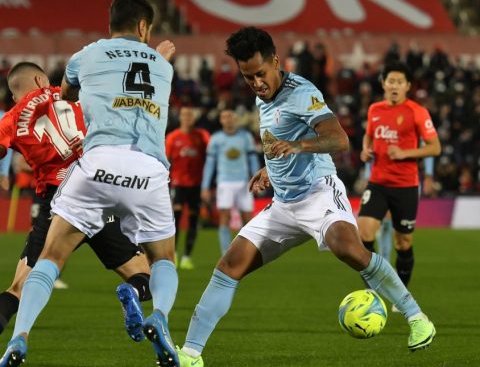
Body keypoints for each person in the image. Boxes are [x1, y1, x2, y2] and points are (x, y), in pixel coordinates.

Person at [176, 27, 436, 366]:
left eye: (260, 73)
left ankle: (418, 319)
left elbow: (339, 139)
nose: (256, 83)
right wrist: (271, 168)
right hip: (284, 203)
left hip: (319, 193)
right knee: (228, 266)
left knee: (348, 249)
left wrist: (300, 146)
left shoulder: (302, 92)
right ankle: (191, 355)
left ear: (275, 62)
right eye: (247, 76)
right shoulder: (262, 96)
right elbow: (279, 136)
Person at [1, 0, 180, 367]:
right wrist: (156, 58)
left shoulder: (82, 59)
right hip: (143, 172)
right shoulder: (158, 70)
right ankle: (156, 313)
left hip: (78, 183)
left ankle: (19, 336)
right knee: (157, 263)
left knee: (40, 267)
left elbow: (68, 90)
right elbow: (135, 86)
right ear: (143, 27)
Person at [0, 62, 154, 345]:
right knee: (145, 274)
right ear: (40, 78)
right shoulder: (74, 94)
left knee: (20, 288)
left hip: (57, 200)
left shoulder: (10, 118)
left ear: (16, 92)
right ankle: (133, 292)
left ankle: (16, 336)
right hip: (98, 194)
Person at [357, 62, 441, 308]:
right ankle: (371, 293)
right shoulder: (374, 110)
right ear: (383, 83)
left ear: (407, 86)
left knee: (403, 243)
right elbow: (369, 135)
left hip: (405, 185)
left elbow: (435, 147)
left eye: (399, 82)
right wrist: (365, 149)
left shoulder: (417, 111)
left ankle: (400, 293)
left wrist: (405, 153)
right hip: (378, 182)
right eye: (390, 81)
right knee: (363, 235)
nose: (394, 86)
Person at [201, 108, 260, 255]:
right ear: (221, 120)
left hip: (244, 182)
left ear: (235, 119)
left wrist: (257, 179)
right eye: (225, 117)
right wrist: (205, 186)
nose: (228, 119)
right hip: (224, 182)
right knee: (224, 217)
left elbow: (253, 159)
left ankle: (248, 251)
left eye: (231, 116)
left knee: (247, 218)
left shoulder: (245, 136)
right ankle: (225, 253)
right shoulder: (216, 138)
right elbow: (209, 164)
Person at [166, 106, 210, 270]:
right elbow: (166, 161)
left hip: (196, 184)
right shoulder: (173, 137)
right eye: (184, 114)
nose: (187, 117)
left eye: (190, 114)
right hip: (178, 184)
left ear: (194, 117)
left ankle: (187, 257)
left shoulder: (202, 136)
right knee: (175, 219)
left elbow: (211, 156)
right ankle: (174, 254)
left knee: (193, 221)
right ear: (180, 117)